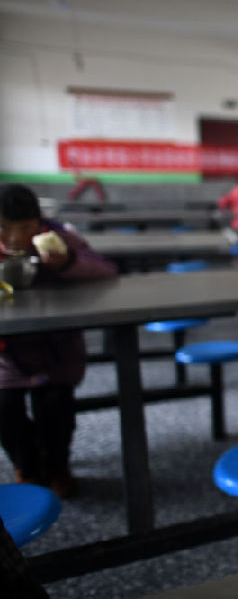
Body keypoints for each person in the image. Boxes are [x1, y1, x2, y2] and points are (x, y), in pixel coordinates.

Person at [0, 184, 117, 497]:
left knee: (55, 409)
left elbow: (106, 270)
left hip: (58, 351)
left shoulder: (62, 240)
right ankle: (26, 468)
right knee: (5, 411)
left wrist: (67, 263)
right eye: (4, 228)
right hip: (6, 356)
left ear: (39, 223)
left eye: (25, 228)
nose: (14, 238)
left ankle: (57, 468)